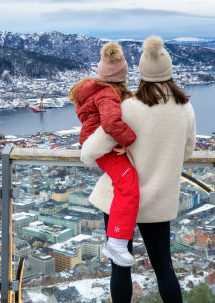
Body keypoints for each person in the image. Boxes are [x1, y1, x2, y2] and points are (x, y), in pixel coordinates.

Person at [81, 36, 196, 303]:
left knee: (120, 269)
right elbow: (187, 152)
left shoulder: (128, 107)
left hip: (121, 199)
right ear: (169, 71)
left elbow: (88, 153)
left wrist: (122, 149)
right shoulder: (185, 108)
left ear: (141, 73)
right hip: (158, 202)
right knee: (164, 269)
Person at [68, 42, 140, 267]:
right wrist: (129, 141)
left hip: (96, 144)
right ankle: (116, 242)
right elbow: (110, 122)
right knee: (127, 184)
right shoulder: (108, 94)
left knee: (124, 182)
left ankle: (116, 241)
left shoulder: (96, 89)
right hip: (102, 146)